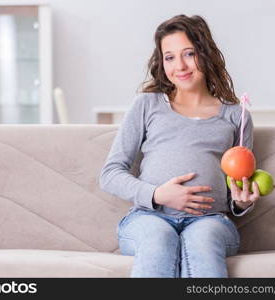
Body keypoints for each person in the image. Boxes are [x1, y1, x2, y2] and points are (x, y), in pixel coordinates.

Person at [99, 14, 260, 278]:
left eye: (189, 54)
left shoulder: (236, 115)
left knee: (203, 242)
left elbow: (236, 193)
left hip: (210, 221)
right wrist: (157, 195)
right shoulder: (146, 105)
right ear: (161, 63)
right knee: (158, 240)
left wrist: (242, 204)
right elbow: (110, 174)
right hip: (148, 219)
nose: (180, 66)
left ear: (206, 54)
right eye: (169, 57)